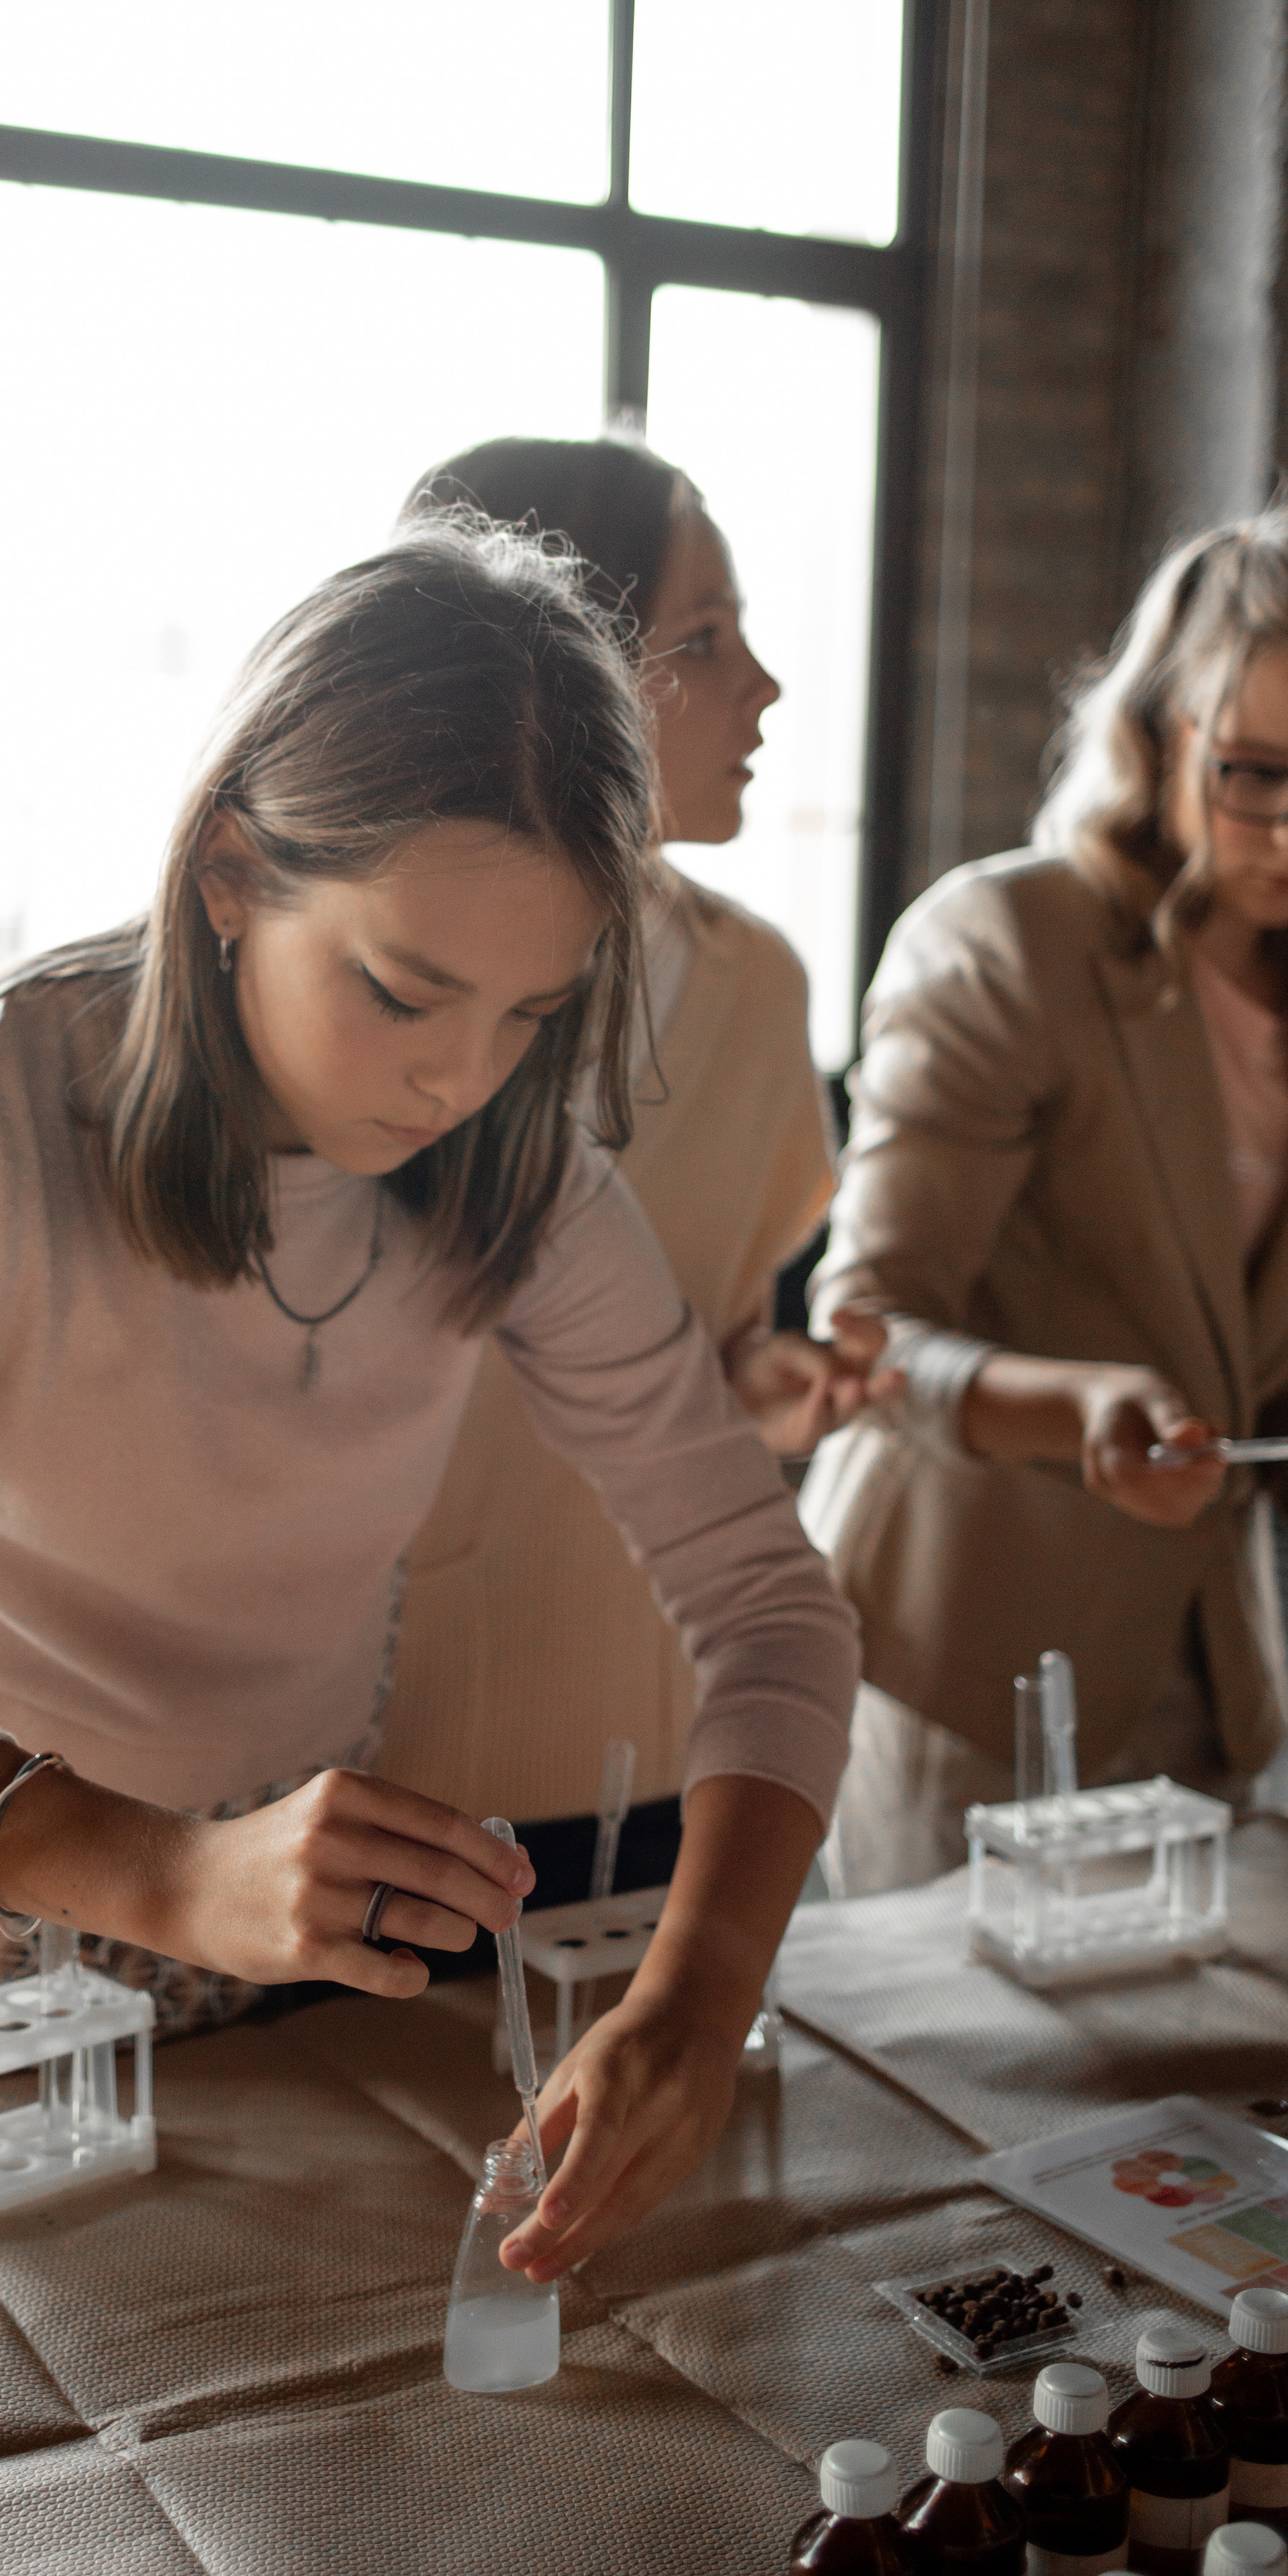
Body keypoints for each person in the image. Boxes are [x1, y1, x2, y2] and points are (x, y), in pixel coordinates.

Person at [0, 516, 858, 2283]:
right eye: (400, 989)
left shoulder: (519, 1171)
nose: (461, 1077)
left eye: (531, 1010)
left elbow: (768, 1606)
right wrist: (162, 1874)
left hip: (233, 1933)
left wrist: (695, 1995)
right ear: (228, 870)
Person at [802, 506, 1288, 1893]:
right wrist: (1071, 1405)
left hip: (1213, 1679)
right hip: (966, 1665)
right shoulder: (1008, 943)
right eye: (1257, 773)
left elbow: (1280, 1374)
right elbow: (865, 1333)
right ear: (1163, 728)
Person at [380, 434, 888, 1893]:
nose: (766, 688)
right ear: (549, 665)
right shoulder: (358, 987)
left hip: (672, 1755)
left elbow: (708, 1354)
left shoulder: (758, 989)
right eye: (708, 639)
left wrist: (766, 1391)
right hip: (377, 1768)